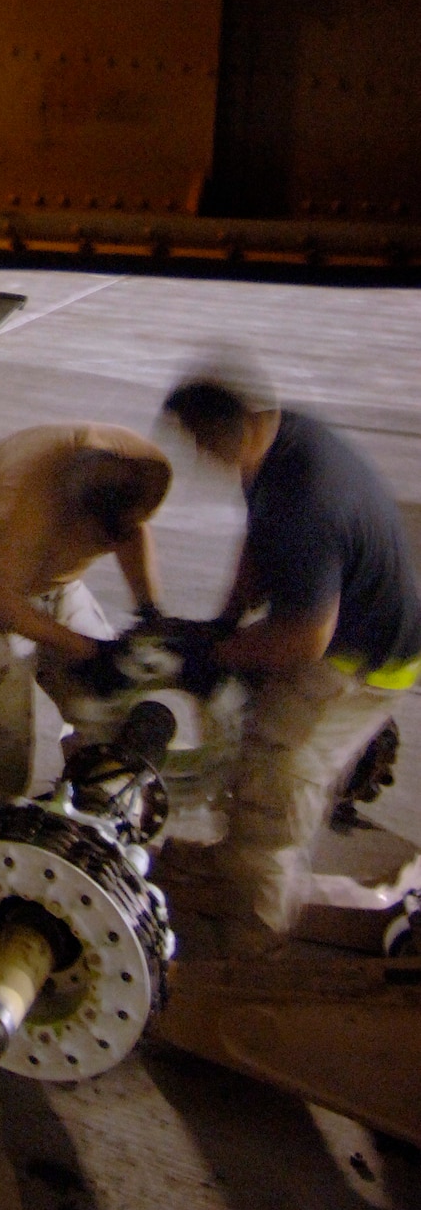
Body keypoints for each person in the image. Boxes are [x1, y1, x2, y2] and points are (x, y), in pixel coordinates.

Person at [161, 366, 421, 948]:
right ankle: (236, 866)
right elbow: (257, 542)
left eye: (204, 444)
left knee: (276, 778)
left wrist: (226, 651)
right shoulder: (282, 441)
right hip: (353, 631)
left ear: (237, 428)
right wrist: (225, 620)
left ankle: (255, 935)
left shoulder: (306, 500)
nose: (203, 458)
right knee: (252, 745)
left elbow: (306, 641)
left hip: (362, 664)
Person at [0, 425, 172, 795]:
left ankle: (90, 808)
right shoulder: (22, 501)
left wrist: (150, 611)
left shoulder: (138, 469)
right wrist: (83, 648)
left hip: (52, 579)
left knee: (106, 700)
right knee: (1, 727)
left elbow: (132, 530)